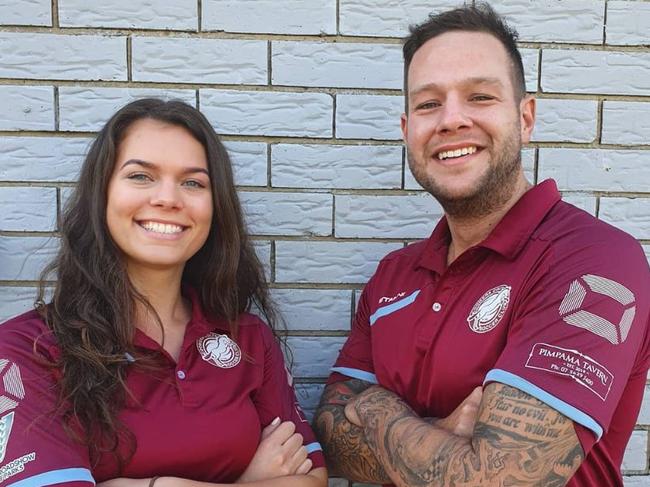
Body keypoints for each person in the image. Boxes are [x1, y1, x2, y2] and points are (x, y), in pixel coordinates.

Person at [313, 3, 650, 486]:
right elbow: (329, 440)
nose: (451, 120)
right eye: (428, 104)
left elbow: (499, 480)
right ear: (408, 131)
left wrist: (371, 407)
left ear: (526, 118)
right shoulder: (393, 276)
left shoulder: (592, 259)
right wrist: (443, 437)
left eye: (480, 97)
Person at [0, 99, 327, 487]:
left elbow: (312, 477)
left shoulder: (248, 337)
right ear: (101, 194)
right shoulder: (29, 349)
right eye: (140, 176)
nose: (169, 198)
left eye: (193, 182)